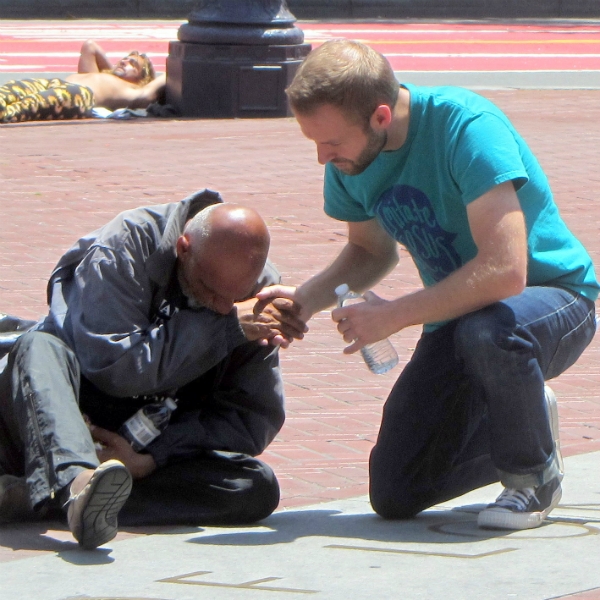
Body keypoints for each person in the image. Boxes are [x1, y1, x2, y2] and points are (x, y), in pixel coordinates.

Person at [257, 39, 598, 530]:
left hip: (552, 301)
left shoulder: (466, 127)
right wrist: (304, 300)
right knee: (396, 490)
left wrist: (393, 314)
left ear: (379, 117)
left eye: (330, 144)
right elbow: (371, 251)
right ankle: (524, 421)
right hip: (458, 316)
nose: (321, 158)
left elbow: (507, 271)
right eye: (313, 142)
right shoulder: (349, 161)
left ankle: (531, 476)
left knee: (487, 333)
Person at [0, 189, 305, 550]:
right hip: (64, 413)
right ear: (183, 248)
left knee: (254, 487)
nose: (225, 307)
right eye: (209, 290)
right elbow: (114, 369)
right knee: (37, 346)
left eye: (236, 297)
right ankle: (76, 482)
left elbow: (250, 418)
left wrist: (151, 458)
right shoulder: (125, 245)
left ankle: (53, 497)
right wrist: (223, 332)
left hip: (144, 444)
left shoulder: (258, 297)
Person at [0, 40, 166, 123]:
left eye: (132, 64)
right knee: (11, 90)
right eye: (124, 59)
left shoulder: (134, 90)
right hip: (54, 83)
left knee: (24, 107)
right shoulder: (100, 76)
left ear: (143, 79)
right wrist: (110, 71)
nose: (124, 62)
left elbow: (154, 87)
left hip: (78, 95)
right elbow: (90, 47)